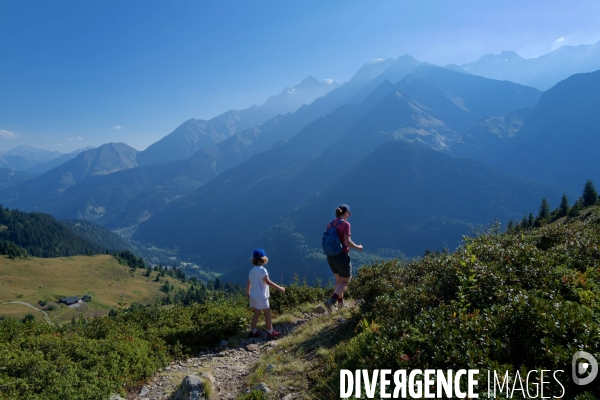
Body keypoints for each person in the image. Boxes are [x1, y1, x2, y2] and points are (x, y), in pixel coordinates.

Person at [324, 204, 363, 311]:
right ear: (346, 213)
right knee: (345, 281)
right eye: (348, 214)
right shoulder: (346, 225)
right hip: (341, 256)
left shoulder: (330, 224)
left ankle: (341, 305)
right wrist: (358, 246)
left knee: (339, 280)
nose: (349, 216)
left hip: (330, 256)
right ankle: (331, 301)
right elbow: (347, 242)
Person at [246, 248, 286, 340]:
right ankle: (271, 332)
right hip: (262, 296)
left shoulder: (251, 271)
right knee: (267, 313)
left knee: (256, 313)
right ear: (264, 259)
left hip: (253, 296)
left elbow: (248, 283)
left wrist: (248, 293)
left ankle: (253, 331)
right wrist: (280, 288)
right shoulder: (263, 270)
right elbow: (268, 282)